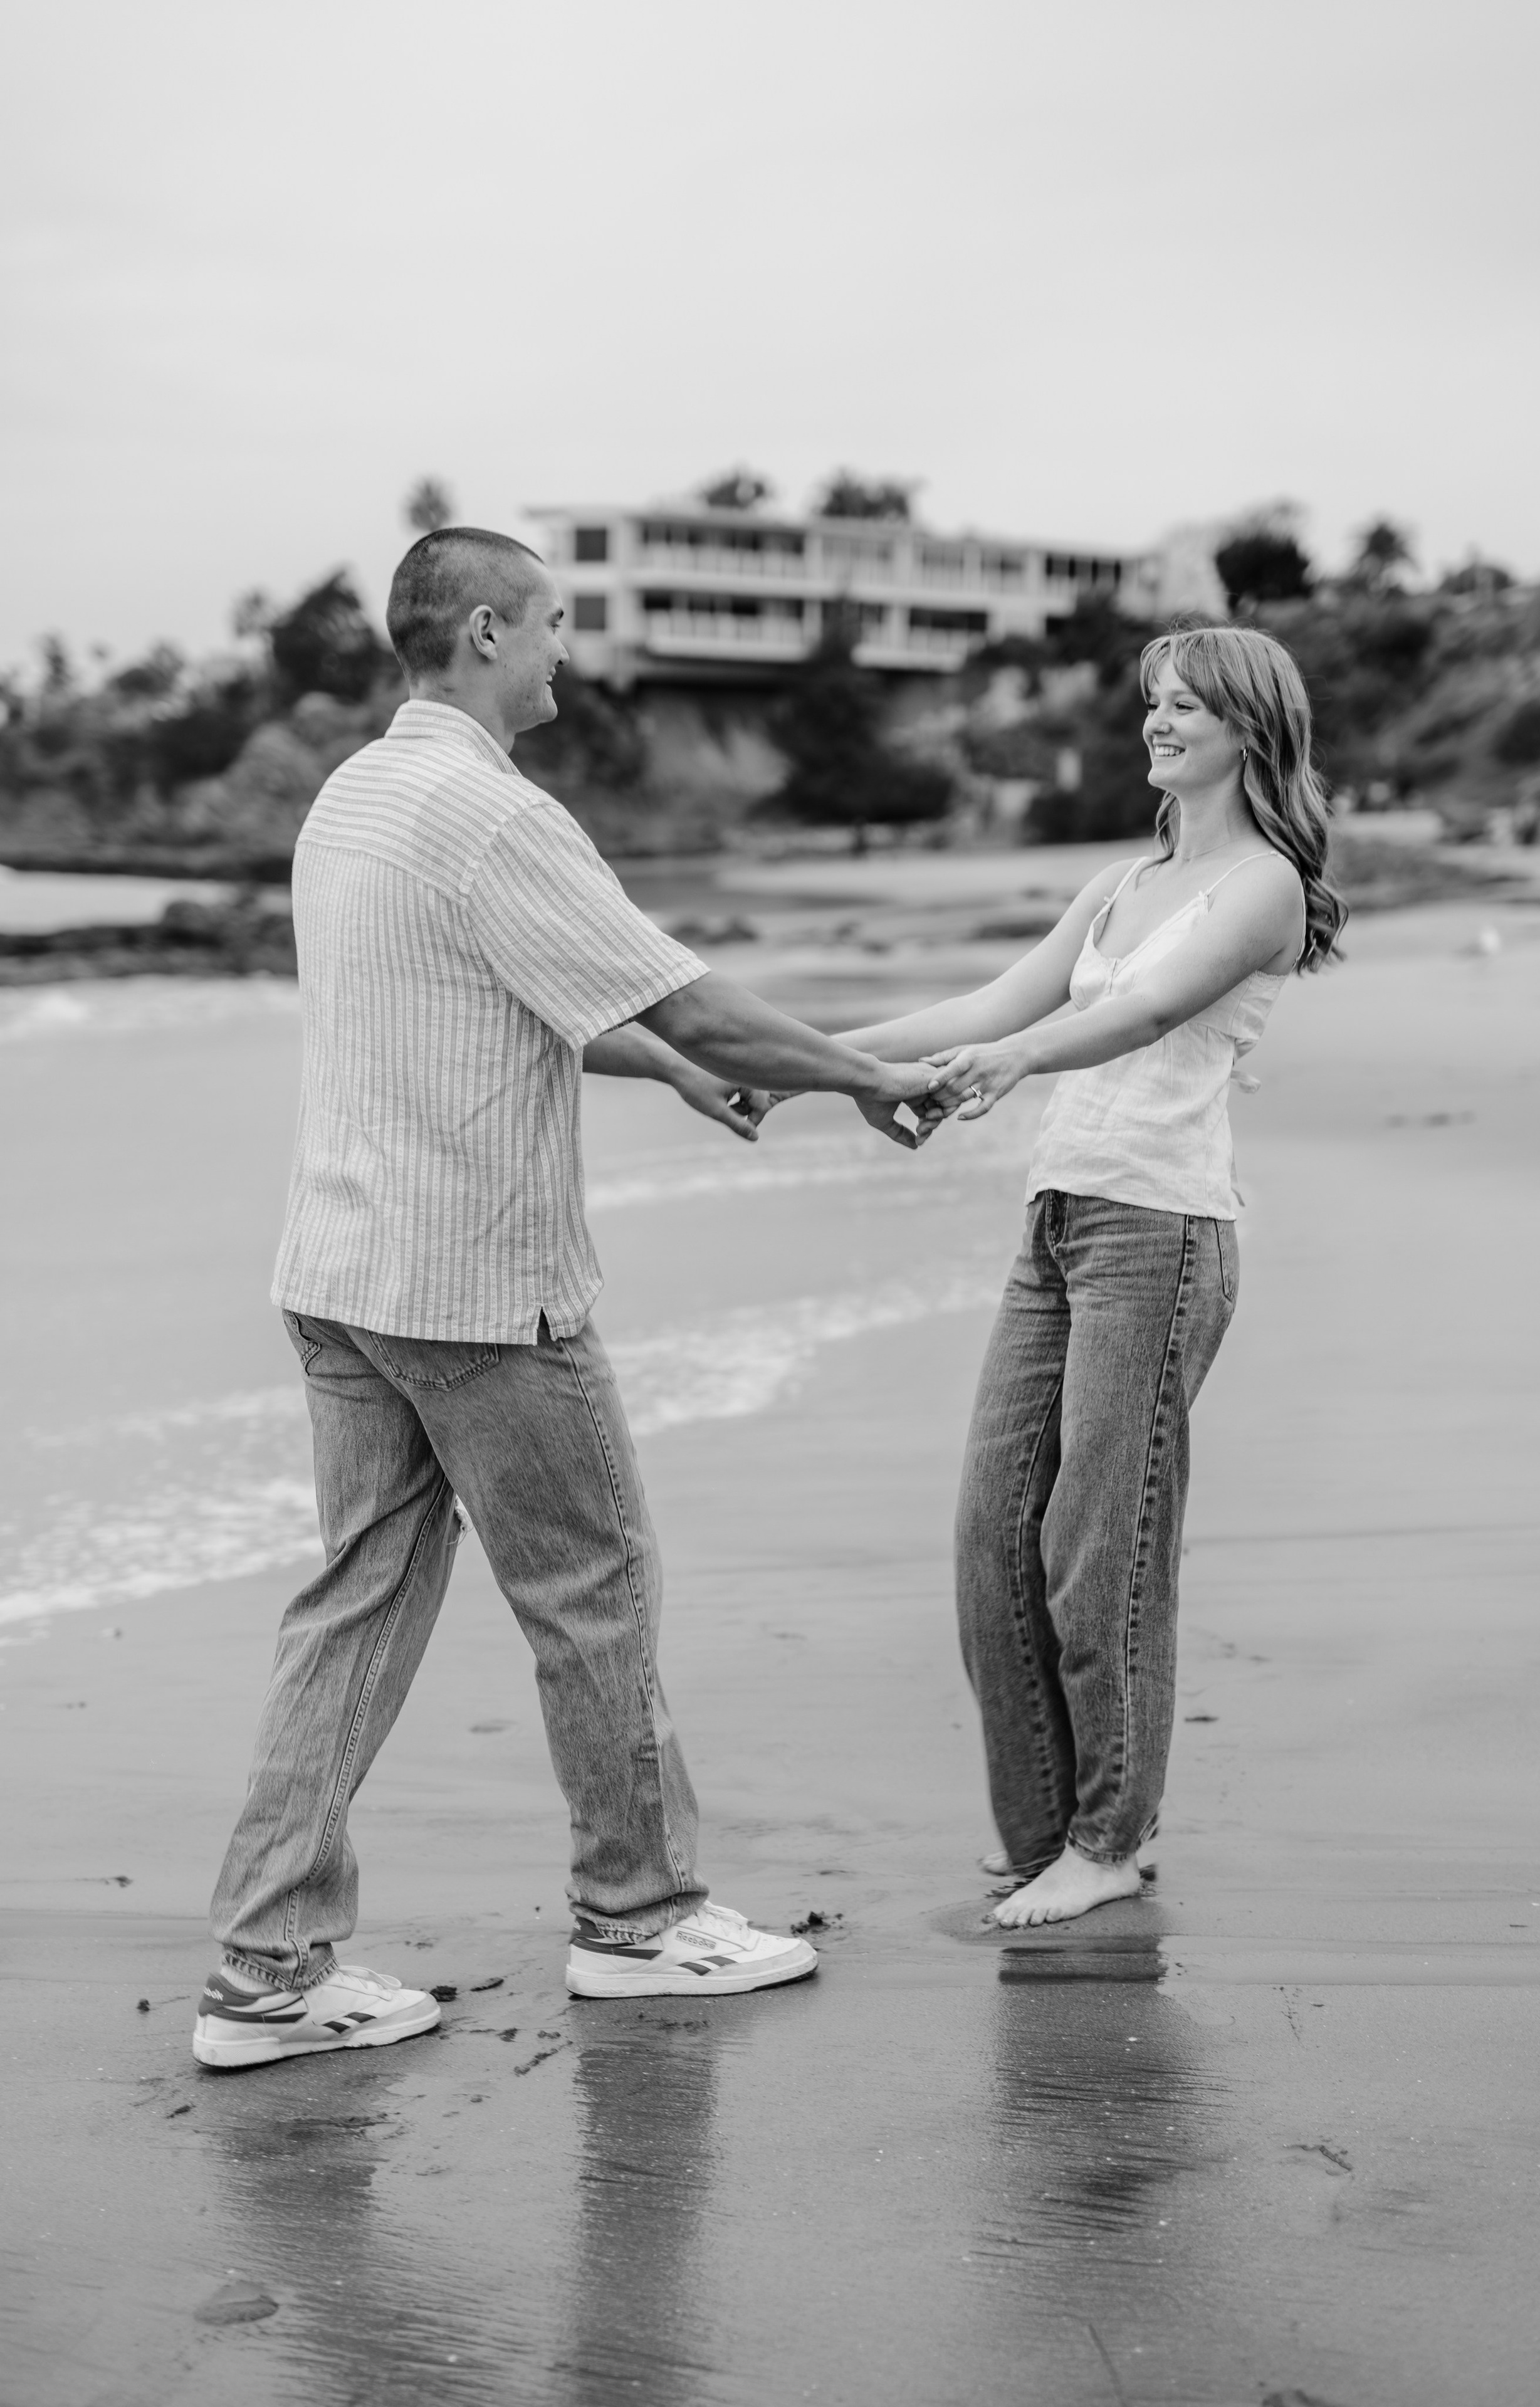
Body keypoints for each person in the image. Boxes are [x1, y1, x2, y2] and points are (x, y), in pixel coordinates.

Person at [192, 527, 934, 2069]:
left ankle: (263, 1972)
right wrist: (860, 1074)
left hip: (340, 1275)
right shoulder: (495, 814)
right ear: (482, 632)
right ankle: (639, 1921)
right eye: (548, 624)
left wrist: (665, 1071)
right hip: (476, 1285)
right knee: (593, 1590)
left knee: (351, 1609)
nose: (566, 653)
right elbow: (694, 998)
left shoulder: (353, 798)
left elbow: (526, 998)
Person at [843, 624, 1346, 1926]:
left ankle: (1109, 1838)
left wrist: (1020, 1062)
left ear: (1248, 727)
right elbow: (988, 1006)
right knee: (990, 1536)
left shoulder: (1264, 886)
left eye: (1184, 706)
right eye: (1152, 704)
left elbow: (1140, 1013)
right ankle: (1042, 1837)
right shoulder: (1123, 881)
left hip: (1159, 1235)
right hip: (1058, 1222)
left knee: (1097, 1548)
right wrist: (815, 1065)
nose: (1155, 723)